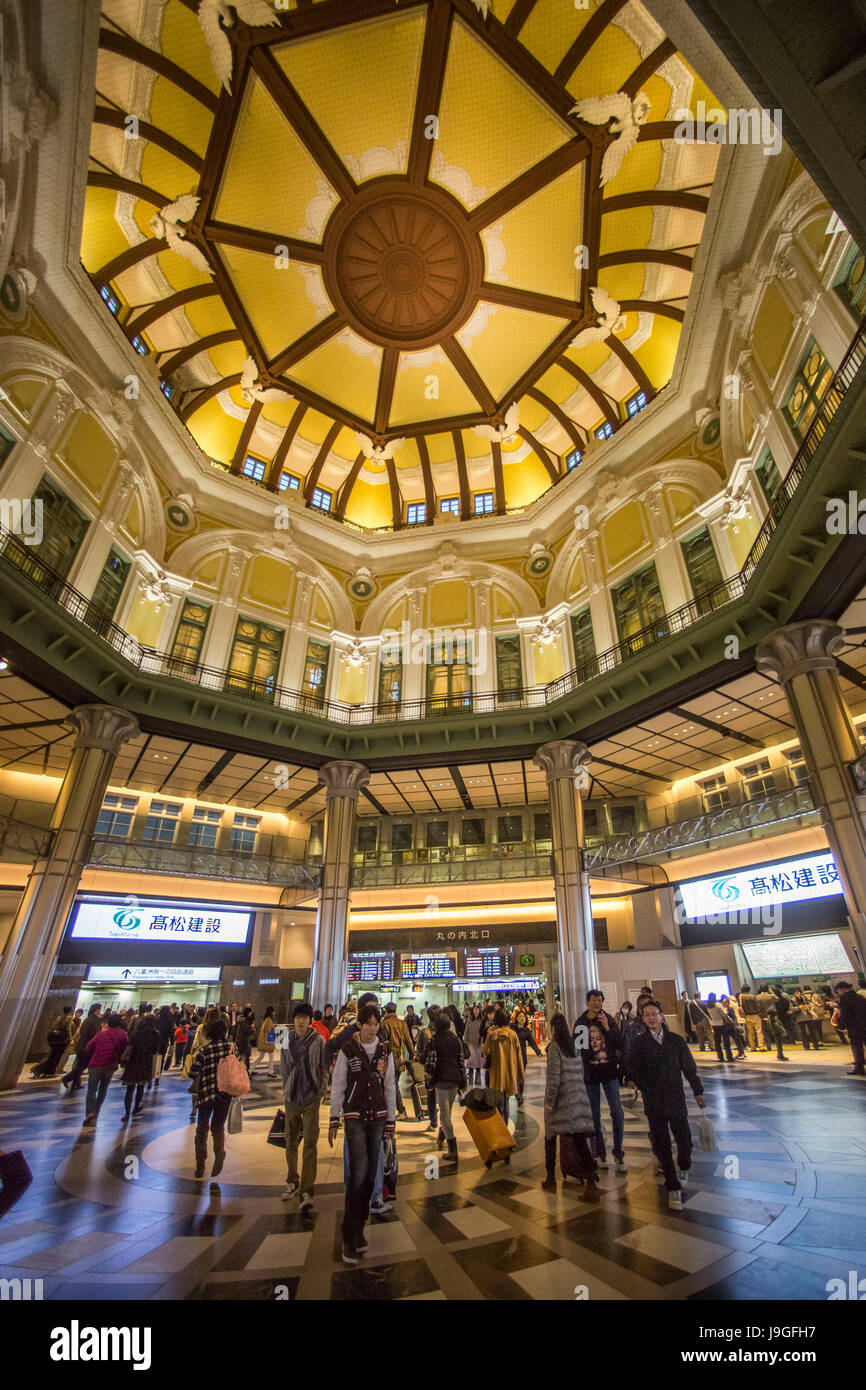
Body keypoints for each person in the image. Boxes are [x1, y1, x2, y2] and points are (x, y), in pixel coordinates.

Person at [329, 1003, 396, 1265]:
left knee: (370, 1176)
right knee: (357, 1174)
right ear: (359, 1025)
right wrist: (335, 1116)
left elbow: (389, 1085)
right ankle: (350, 1232)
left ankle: (358, 1228)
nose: (372, 1028)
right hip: (355, 1116)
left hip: (377, 1117)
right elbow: (339, 1083)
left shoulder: (385, 1050)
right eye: (368, 1023)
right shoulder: (348, 1050)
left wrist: (391, 1121)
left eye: (375, 1024)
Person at [629, 998, 706, 1210]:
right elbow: (633, 1069)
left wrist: (697, 1090)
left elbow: (689, 1067)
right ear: (643, 1019)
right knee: (662, 1144)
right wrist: (645, 1087)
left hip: (675, 1097)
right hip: (654, 1101)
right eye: (647, 1015)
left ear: (662, 1016)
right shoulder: (640, 1043)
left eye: (655, 1014)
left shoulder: (676, 1041)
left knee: (684, 1139)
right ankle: (672, 1186)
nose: (652, 1018)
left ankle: (684, 1163)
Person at [542, 1013, 599, 1201]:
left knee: (550, 1137)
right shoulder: (574, 1047)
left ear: (552, 1029)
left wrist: (550, 1102)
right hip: (577, 1098)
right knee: (579, 1140)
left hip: (562, 1101)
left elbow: (554, 1078)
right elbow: (580, 1071)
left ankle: (550, 1178)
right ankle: (591, 1182)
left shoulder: (554, 1048)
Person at [280, 1002, 327, 1210]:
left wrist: (321, 1092)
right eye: (298, 1017)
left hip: (310, 1098)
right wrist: (285, 1090)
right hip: (291, 1097)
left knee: (310, 1143)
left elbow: (324, 1067)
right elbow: (283, 1066)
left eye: (304, 1018)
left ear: (310, 1020)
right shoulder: (285, 1038)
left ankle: (307, 1189)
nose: (300, 1021)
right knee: (290, 1140)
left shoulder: (318, 1040)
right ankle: (292, 1180)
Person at [575, 989, 627, 1172]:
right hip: (590, 1075)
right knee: (594, 1115)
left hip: (610, 1072)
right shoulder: (581, 1022)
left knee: (617, 1112)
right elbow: (577, 1049)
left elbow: (620, 1041)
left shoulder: (608, 1019)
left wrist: (607, 1027)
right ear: (587, 1002)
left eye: (599, 1000)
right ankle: (600, 1152)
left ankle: (618, 1152)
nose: (597, 1004)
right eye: (594, 1000)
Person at [188, 1016, 233, 1179]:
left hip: (206, 1094)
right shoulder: (231, 1048)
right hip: (225, 1094)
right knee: (218, 1126)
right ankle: (219, 1152)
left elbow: (193, 1072)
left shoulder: (205, 1051)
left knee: (201, 1130)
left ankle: (200, 1165)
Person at [426, 1012, 467, 1163]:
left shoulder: (434, 1040)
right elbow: (461, 1060)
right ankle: (441, 1137)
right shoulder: (455, 1039)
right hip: (455, 1079)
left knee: (444, 1114)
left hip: (441, 1080)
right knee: (447, 1112)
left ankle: (452, 1149)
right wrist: (463, 1081)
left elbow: (427, 1059)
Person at [81, 1013, 129, 1125]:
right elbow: (125, 1050)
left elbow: (88, 1047)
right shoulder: (123, 1035)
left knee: (92, 1090)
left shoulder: (101, 1034)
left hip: (96, 1064)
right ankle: (97, 1111)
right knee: (103, 1089)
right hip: (110, 1065)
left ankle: (90, 1111)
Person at [482, 1007, 524, 1126]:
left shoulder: (491, 1034)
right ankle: (505, 1128)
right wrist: (521, 1074)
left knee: (498, 1103)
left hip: (496, 1075)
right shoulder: (512, 1035)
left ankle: (501, 1130)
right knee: (506, 1101)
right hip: (509, 1073)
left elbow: (485, 1051)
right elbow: (519, 1055)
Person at [120, 1004, 161, 1120]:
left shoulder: (136, 1031)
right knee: (140, 1087)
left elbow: (129, 1043)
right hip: (145, 1063)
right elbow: (156, 1051)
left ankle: (127, 1112)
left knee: (129, 1089)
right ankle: (136, 1107)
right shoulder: (155, 1033)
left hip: (133, 1061)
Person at [380, 1003, 418, 1122]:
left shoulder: (384, 1024)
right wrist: (413, 1054)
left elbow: (382, 1043)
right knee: (393, 1083)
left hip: (389, 1058)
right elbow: (409, 1040)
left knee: (392, 1084)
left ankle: (401, 1110)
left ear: (386, 1011)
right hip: (400, 1059)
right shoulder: (402, 1023)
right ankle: (397, 1110)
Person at [62, 1003, 103, 1092]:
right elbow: (94, 1035)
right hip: (87, 1047)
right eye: (99, 1010)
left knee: (80, 1065)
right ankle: (66, 1078)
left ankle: (76, 1083)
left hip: (81, 1045)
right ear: (96, 1010)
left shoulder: (87, 1019)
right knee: (83, 1065)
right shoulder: (96, 1021)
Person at [509, 1008, 542, 1104]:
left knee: (521, 1077)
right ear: (516, 1018)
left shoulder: (526, 1031)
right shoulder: (511, 1028)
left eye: (523, 1016)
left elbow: (532, 1042)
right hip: (513, 1054)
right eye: (520, 1016)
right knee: (514, 1076)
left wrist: (538, 1051)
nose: (522, 1018)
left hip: (522, 1056)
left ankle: (520, 1095)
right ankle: (518, 1095)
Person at [32, 1006, 75, 1077]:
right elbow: (68, 1029)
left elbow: (54, 1026)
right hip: (62, 1040)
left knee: (52, 1055)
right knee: (57, 1056)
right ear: (70, 1011)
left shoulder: (59, 1017)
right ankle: (50, 1071)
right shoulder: (69, 1018)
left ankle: (44, 1070)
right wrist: (70, 1039)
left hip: (55, 1039)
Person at [834, 981, 866, 1076]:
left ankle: (859, 1068)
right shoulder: (860, 997)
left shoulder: (844, 998)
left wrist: (842, 1025)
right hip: (864, 1024)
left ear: (841, 989)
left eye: (838, 991)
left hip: (854, 1026)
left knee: (857, 1047)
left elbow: (845, 1014)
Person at [705, 994, 735, 1062]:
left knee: (717, 1041)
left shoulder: (708, 1006)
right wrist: (726, 1008)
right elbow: (724, 1014)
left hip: (714, 1024)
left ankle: (720, 1056)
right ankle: (729, 1056)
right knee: (726, 1041)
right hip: (722, 1024)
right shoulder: (717, 1005)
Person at [738, 986, 765, 1052]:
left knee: (750, 1033)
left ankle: (752, 1047)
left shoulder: (740, 997)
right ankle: (761, 1046)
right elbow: (757, 1006)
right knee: (759, 1031)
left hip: (747, 1016)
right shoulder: (752, 996)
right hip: (755, 1015)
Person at [464, 1004, 485, 1087]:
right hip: (470, 1042)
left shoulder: (482, 1019)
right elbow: (466, 1030)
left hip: (479, 1043)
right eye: (475, 1009)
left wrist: (482, 1040)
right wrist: (465, 1040)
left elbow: (483, 1030)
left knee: (479, 1060)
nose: (476, 1010)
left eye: (477, 1009)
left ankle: (478, 1076)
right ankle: (471, 1076)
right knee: (471, 1060)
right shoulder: (469, 1019)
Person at [253, 1006, 277, 1076]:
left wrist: (272, 1025)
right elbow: (268, 1031)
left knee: (261, 1056)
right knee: (271, 1056)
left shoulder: (266, 1019)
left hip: (263, 1041)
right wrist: (273, 1027)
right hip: (267, 1042)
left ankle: (251, 1069)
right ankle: (270, 1072)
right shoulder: (269, 1019)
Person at [234, 1007, 254, 1072]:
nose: (251, 1013)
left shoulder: (245, 1019)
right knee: (244, 1056)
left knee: (242, 1056)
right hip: (242, 1041)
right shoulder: (244, 1020)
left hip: (242, 1040)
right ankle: (246, 1071)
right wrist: (252, 1029)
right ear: (248, 1012)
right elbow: (246, 1029)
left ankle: (245, 1070)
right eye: (250, 1012)